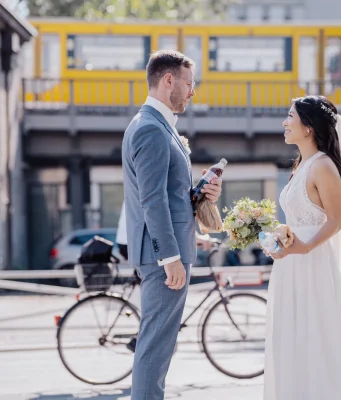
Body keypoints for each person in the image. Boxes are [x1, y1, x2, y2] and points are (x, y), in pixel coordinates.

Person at [121, 49, 222, 400]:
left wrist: (200, 193)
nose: (192, 92)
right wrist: (170, 258)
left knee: (159, 346)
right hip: (163, 257)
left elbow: (169, 195)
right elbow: (152, 200)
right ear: (168, 81)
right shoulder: (151, 128)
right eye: (189, 84)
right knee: (155, 347)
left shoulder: (153, 124)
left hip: (163, 252)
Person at [263, 95, 341, 400]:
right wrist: (275, 238)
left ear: (308, 127)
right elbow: (298, 219)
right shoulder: (301, 166)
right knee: (291, 340)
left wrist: (306, 246)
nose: (284, 123)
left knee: (315, 339)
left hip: (313, 264)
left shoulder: (323, 165)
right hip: (289, 265)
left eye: (290, 117)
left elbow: (336, 220)